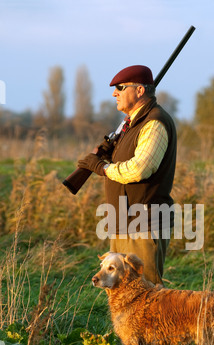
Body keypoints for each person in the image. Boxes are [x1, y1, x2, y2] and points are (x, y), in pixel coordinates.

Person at [78, 65, 177, 285]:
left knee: (145, 293)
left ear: (140, 91)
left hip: (143, 223)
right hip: (123, 221)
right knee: (121, 292)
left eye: (120, 88)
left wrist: (102, 168)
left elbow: (141, 168)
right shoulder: (132, 124)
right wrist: (109, 150)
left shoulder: (154, 122)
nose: (115, 93)